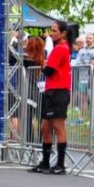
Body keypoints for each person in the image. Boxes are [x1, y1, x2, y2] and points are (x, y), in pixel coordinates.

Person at [31, 21, 73, 175]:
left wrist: (41, 60)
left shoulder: (61, 49)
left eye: (55, 30)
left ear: (63, 34)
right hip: (51, 90)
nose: (52, 33)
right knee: (45, 127)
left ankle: (60, 164)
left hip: (59, 91)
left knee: (58, 127)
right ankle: (45, 162)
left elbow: (48, 71)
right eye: (51, 30)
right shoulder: (58, 48)